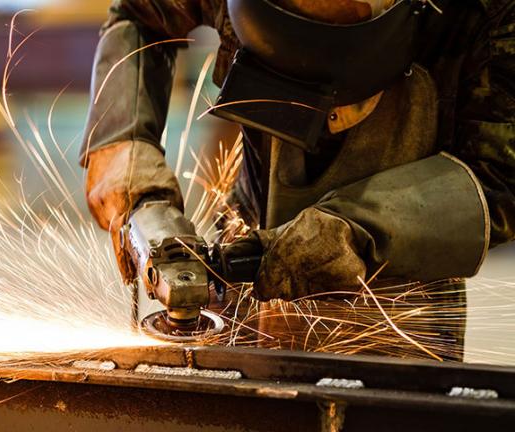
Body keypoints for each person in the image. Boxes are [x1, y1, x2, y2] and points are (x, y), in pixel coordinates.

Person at [82, 0, 514, 355]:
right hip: (246, 256)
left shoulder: (492, 14)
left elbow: (503, 177)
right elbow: (140, 14)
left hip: (397, 309)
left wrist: (355, 231)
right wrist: (124, 141)